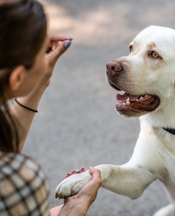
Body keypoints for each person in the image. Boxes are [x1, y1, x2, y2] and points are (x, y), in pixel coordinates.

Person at [0, 0, 102, 215]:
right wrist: (72, 211)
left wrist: (37, 84)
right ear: (17, 77)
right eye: (39, 50)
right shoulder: (17, 180)